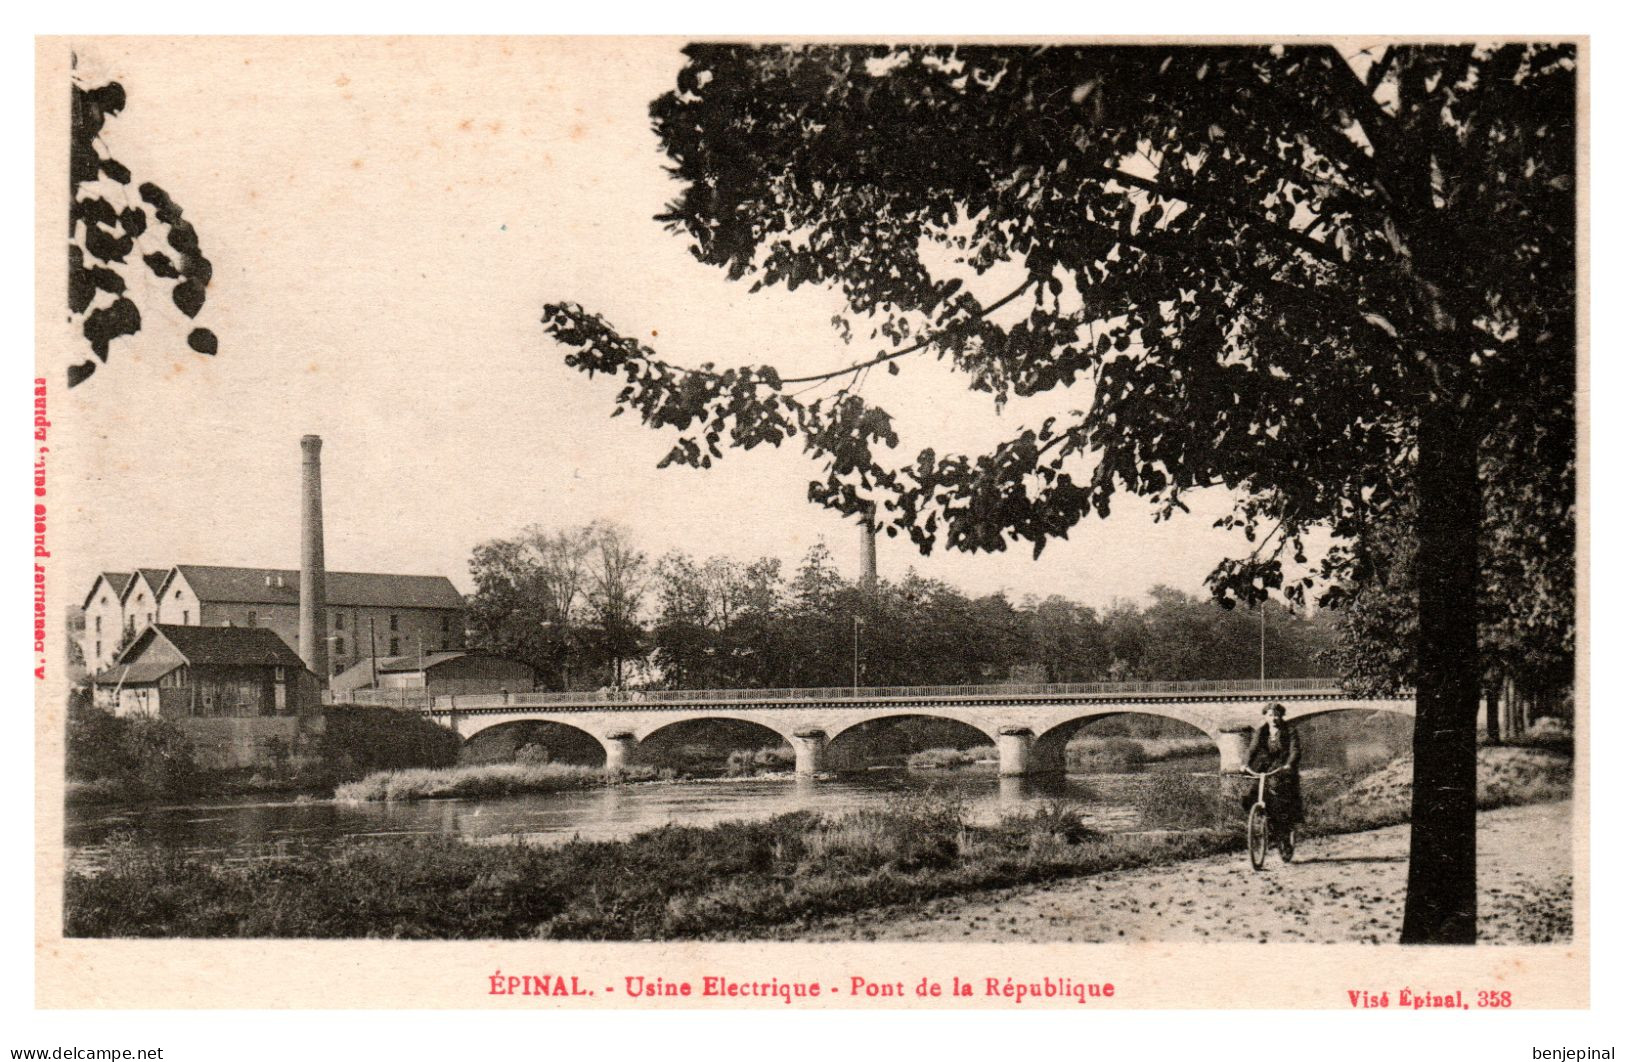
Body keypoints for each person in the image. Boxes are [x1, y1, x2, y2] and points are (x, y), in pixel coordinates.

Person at [1243, 702, 1304, 826]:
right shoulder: (1261, 731)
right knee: (1250, 794)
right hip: (1265, 766)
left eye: (1276, 715)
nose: (1273, 718)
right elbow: (1252, 749)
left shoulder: (1289, 731)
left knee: (1277, 792)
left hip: (1283, 766)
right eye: (1270, 715)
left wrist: (1289, 764)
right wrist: (1245, 763)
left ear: (1281, 716)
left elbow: (1295, 750)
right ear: (1265, 717)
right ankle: (1259, 819)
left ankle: (1281, 828)